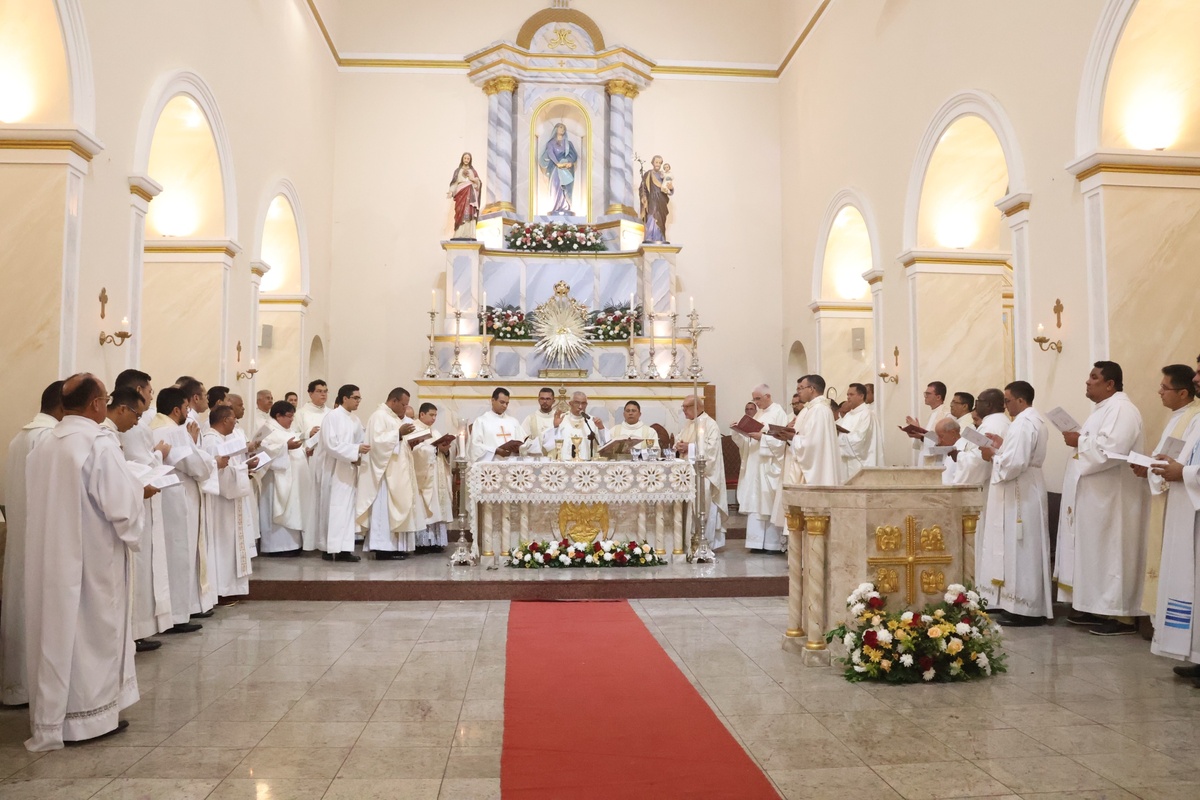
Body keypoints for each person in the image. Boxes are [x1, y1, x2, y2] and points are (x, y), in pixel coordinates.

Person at [23, 373, 144, 750]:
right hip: (93, 559)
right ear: (95, 404)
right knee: (93, 634)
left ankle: (54, 719)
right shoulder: (98, 444)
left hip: (50, 557)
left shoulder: (43, 443)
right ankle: (91, 719)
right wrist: (141, 496)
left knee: (57, 637)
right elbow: (122, 507)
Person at [1056, 361, 1148, 636]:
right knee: (1099, 554)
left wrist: (1078, 441)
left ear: (1110, 384)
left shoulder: (1121, 409)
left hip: (1114, 499)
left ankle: (1121, 617)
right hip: (1097, 497)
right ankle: (1099, 609)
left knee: (1113, 554)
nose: (1087, 381)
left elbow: (1111, 450)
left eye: (1094, 377)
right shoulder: (1103, 410)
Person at [1, 381, 63, 707]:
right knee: (38, 610)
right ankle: (32, 687)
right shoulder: (49, 438)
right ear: (62, 407)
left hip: (22, 535)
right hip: (44, 539)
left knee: (19, 604)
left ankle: (16, 686)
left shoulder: (18, 437)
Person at [977, 380, 1053, 626]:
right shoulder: (1030, 421)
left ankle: (1026, 609)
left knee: (1022, 548)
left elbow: (1014, 464)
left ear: (1021, 400)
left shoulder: (1023, 423)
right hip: (1025, 487)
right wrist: (1001, 447)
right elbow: (1016, 455)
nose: (1006, 405)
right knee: (1017, 547)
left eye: (1008, 401)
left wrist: (992, 455)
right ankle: (1013, 603)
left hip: (1021, 490)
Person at [113, 371, 173, 650]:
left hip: (137, 500)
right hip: (133, 504)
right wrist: (160, 454)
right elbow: (139, 466)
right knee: (138, 567)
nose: (151, 395)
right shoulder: (132, 427)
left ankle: (137, 630)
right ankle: (135, 631)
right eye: (149, 391)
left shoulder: (137, 424)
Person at [1136, 365, 1200, 617]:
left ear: (1182, 393)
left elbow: (1183, 465)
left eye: (1165, 387)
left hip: (1187, 501)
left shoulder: (1193, 417)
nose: (1159, 392)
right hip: (1177, 498)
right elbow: (1174, 458)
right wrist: (1150, 467)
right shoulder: (1181, 417)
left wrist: (1177, 472)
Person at [149, 387, 212, 633]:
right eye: (186, 408)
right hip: (179, 499)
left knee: (167, 555)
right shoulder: (174, 431)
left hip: (162, 498)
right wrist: (195, 444)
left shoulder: (151, 427)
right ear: (176, 410)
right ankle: (177, 615)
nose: (189, 413)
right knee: (179, 554)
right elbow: (196, 464)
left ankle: (169, 614)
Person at [1147, 387, 1200, 681]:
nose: (1195, 379)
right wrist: (1171, 466)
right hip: (1188, 512)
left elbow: (1191, 470)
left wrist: (1185, 474)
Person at [770, 375, 846, 532]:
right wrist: (788, 436)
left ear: (812, 389)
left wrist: (792, 437)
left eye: (800, 388)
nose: (798, 393)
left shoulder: (819, 410)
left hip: (814, 471)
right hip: (803, 463)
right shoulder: (809, 410)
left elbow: (813, 444)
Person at [357, 388, 422, 560]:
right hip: (385, 474)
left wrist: (411, 442)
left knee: (400, 505)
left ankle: (398, 547)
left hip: (399, 471)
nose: (405, 407)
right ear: (393, 401)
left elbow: (398, 443)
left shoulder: (393, 417)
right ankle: (383, 548)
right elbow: (376, 443)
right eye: (403, 404)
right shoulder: (379, 416)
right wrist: (398, 434)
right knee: (384, 509)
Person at [951, 388, 1010, 570]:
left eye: (979, 401)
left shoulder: (990, 425)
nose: (976, 406)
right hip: (996, 485)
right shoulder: (1003, 422)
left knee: (987, 538)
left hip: (988, 489)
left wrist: (958, 456)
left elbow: (978, 461)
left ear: (990, 405)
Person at [201, 405, 257, 597]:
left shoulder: (222, 439)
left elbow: (228, 468)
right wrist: (242, 471)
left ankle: (229, 589)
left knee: (229, 546)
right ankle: (222, 590)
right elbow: (218, 476)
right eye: (234, 418)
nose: (236, 422)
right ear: (225, 420)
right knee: (222, 546)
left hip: (229, 503)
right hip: (220, 505)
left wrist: (245, 468)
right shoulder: (211, 441)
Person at [732, 384, 788, 552]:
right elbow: (749, 441)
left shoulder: (779, 413)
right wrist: (739, 432)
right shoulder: (759, 413)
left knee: (768, 503)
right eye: (754, 399)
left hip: (769, 466)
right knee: (755, 503)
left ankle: (773, 545)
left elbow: (782, 441)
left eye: (758, 399)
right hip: (756, 464)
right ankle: (756, 543)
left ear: (768, 396)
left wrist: (762, 438)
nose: (755, 403)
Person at [316, 384, 369, 561]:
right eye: (355, 398)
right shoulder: (332, 417)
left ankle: (344, 549)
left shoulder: (355, 419)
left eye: (359, 398)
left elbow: (361, 439)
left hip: (349, 470)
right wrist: (355, 450)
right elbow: (331, 445)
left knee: (347, 510)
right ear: (344, 398)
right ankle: (329, 548)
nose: (358, 401)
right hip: (334, 470)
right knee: (334, 509)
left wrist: (362, 450)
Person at [675, 394, 727, 549]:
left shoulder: (710, 424)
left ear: (697, 407)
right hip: (687, 474)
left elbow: (712, 450)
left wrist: (689, 447)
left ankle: (705, 543)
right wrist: (678, 446)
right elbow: (680, 440)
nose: (683, 410)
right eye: (683, 407)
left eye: (686, 407)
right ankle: (690, 540)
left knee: (703, 508)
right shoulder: (689, 423)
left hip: (704, 475)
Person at [256, 401, 305, 556]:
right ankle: (276, 548)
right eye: (289, 416)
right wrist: (286, 447)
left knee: (292, 510)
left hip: (291, 481)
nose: (291, 420)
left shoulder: (285, 430)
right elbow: (262, 450)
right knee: (275, 512)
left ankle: (293, 545)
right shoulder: (267, 430)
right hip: (274, 482)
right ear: (278, 415)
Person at [410, 403, 455, 553]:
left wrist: (445, 450)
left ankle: (435, 541)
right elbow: (415, 452)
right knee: (426, 507)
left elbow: (440, 451)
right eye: (431, 415)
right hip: (424, 478)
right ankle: (422, 543)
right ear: (421, 414)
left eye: (436, 415)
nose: (434, 418)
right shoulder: (414, 429)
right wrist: (436, 449)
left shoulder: (434, 431)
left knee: (437, 508)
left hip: (437, 476)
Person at [294, 379, 329, 550]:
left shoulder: (331, 413)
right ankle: (309, 540)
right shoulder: (301, 414)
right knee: (311, 499)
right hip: (310, 460)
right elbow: (292, 435)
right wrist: (309, 433)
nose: (323, 394)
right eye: (320, 391)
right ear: (310, 393)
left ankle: (324, 539)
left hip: (327, 461)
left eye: (325, 391)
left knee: (326, 499)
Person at [469, 388, 529, 462]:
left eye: (507, 403)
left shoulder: (513, 421)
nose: (505, 406)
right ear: (493, 400)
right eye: (502, 402)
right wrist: (496, 451)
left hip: (512, 463)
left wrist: (519, 448)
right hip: (491, 463)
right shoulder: (481, 421)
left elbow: (522, 443)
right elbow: (475, 446)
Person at [838, 382, 883, 478]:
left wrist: (839, 437)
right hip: (846, 463)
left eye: (851, 394)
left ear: (861, 396)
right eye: (847, 395)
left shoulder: (867, 414)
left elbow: (859, 440)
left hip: (861, 464)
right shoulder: (848, 415)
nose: (848, 397)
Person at [546, 391, 607, 460]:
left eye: (583, 403)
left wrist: (601, 428)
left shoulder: (592, 421)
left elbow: (605, 445)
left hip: (587, 465)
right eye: (577, 403)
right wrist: (555, 427)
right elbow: (548, 446)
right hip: (564, 464)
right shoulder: (561, 419)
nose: (580, 407)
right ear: (570, 404)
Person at [906, 381, 951, 465]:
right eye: (925, 393)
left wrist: (921, 436)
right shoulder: (932, 414)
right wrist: (917, 430)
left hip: (938, 461)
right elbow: (927, 439)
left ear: (938, 397)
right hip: (925, 457)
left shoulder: (946, 415)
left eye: (928, 394)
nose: (925, 396)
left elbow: (945, 441)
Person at [541, 123, 578, 216]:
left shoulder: (568, 144)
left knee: (566, 187)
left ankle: (566, 206)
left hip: (566, 170)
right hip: (555, 169)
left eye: (564, 128)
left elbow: (574, 155)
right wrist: (558, 164)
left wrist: (570, 162)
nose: (563, 129)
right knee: (556, 186)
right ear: (556, 129)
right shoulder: (551, 143)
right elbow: (550, 154)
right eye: (561, 127)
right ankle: (556, 206)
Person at [447, 152, 481, 239]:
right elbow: (454, 183)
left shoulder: (473, 171)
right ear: (462, 159)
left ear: (470, 160)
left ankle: (469, 233)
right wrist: (451, 191)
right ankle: (459, 233)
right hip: (460, 194)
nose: (466, 160)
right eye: (465, 158)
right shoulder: (457, 171)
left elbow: (478, 184)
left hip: (470, 193)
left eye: (468, 159)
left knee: (470, 211)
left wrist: (473, 179)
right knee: (460, 211)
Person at [639, 154, 670, 243]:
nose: (658, 164)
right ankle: (650, 236)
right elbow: (643, 188)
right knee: (652, 216)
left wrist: (670, 188)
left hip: (661, 200)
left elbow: (668, 187)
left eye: (660, 163)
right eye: (656, 162)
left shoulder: (663, 175)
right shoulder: (648, 174)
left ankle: (660, 237)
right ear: (653, 163)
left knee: (660, 219)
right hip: (652, 199)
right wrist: (643, 196)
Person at [934, 417, 962, 485]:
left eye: (941, 436)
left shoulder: (964, 450)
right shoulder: (949, 448)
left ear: (953, 433)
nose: (939, 441)